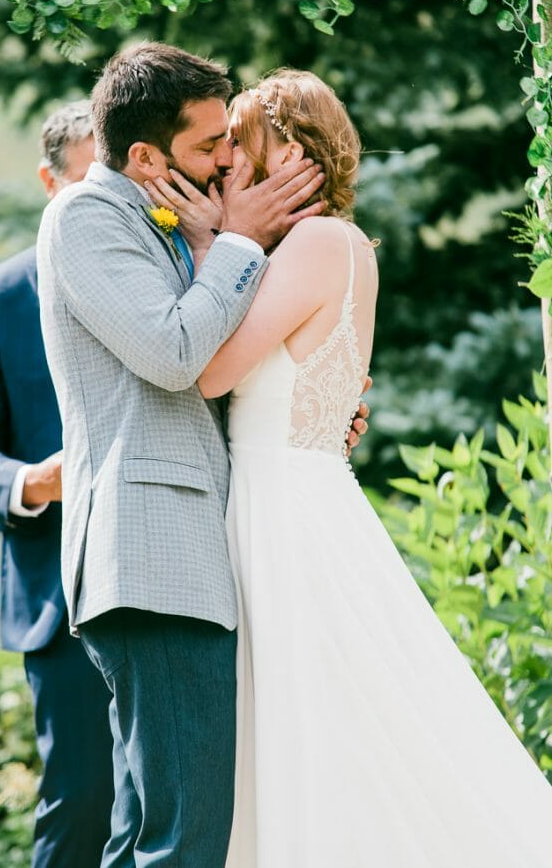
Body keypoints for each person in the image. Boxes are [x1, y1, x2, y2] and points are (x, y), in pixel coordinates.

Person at [173, 68, 552, 867]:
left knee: (318, 718)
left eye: (241, 143)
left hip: (286, 510)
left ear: (289, 155)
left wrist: (218, 238)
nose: (227, 163)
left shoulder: (316, 243)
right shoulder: (325, 246)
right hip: (286, 494)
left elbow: (207, 372)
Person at [35, 42, 343, 868]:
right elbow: (174, 355)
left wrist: (303, 407)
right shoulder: (87, 218)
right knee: (185, 842)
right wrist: (238, 243)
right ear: (143, 154)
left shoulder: (165, 218)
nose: (224, 161)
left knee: (151, 834)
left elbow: (217, 356)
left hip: (183, 561)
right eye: (209, 144)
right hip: (151, 560)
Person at [0, 101, 114, 868]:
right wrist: (33, 484)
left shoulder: (167, 270)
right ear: (49, 182)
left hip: (174, 577)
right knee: (79, 802)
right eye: (87, 185)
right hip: (60, 596)